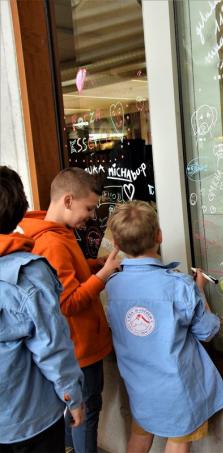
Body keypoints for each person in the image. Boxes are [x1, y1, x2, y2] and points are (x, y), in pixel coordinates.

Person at [105, 201, 223, 453]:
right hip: (177, 389)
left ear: (117, 244)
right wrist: (199, 290)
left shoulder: (113, 284)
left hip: (139, 387)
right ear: (159, 236)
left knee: (140, 435)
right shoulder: (179, 285)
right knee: (178, 440)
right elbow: (207, 331)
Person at [19, 167, 118, 453]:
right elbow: (67, 303)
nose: (91, 215)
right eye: (88, 208)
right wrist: (102, 277)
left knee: (77, 414)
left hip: (78, 346)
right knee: (85, 413)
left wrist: (94, 266)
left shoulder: (56, 232)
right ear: (68, 200)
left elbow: (66, 277)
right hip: (80, 349)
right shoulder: (52, 242)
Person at [0, 166, 84, 452]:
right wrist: (72, 397)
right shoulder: (29, 273)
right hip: (30, 418)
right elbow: (52, 346)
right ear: (19, 209)